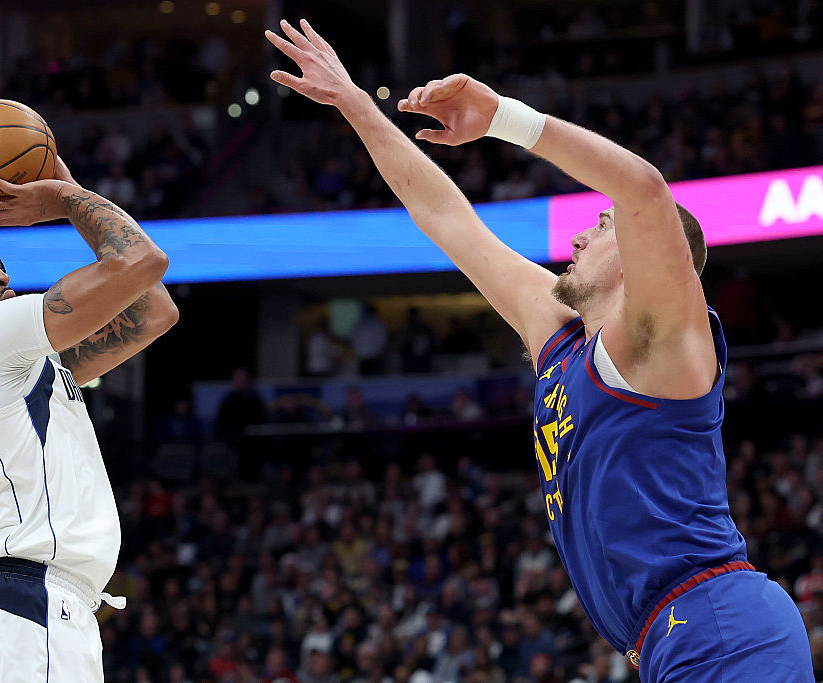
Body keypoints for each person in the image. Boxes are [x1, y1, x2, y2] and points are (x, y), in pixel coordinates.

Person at [266, 19, 812, 680]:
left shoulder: (666, 339)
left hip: (720, 624)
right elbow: (446, 215)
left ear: (648, 259)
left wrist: (507, 120)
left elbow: (643, 189)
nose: (581, 237)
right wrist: (353, 102)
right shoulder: (557, 337)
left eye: (602, 225)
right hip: (660, 638)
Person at [0, 157, 178, 682]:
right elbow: (143, 261)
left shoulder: (19, 364)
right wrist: (64, 196)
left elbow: (155, 312)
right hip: (23, 600)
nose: (2, 274)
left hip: (48, 606)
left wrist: (66, 190)